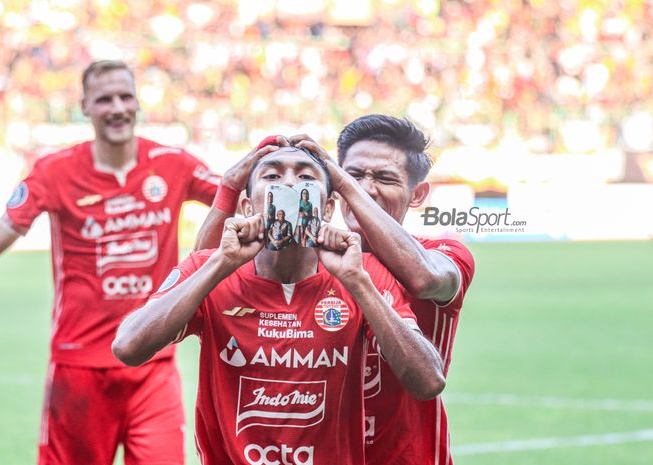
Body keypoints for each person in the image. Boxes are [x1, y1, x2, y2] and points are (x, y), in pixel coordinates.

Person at [0, 60, 278, 465]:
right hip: (80, 370)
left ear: (138, 101)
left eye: (125, 96)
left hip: (152, 365)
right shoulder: (53, 172)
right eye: (104, 99)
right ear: (85, 106)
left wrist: (286, 177)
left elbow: (241, 196)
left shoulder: (171, 162)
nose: (118, 107)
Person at [112, 145, 447, 465]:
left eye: (306, 177)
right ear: (246, 207)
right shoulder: (209, 267)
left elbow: (428, 381)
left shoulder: (361, 273)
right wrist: (220, 264)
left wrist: (358, 284)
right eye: (272, 176)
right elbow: (129, 346)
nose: (289, 182)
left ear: (328, 208)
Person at [293, 114, 475, 465]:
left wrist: (347, 185)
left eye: (385, 178)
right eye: (354, 175)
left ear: (417, 194)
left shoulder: (446, 254)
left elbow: (423, 278)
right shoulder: (309, 258)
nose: (365, 188)